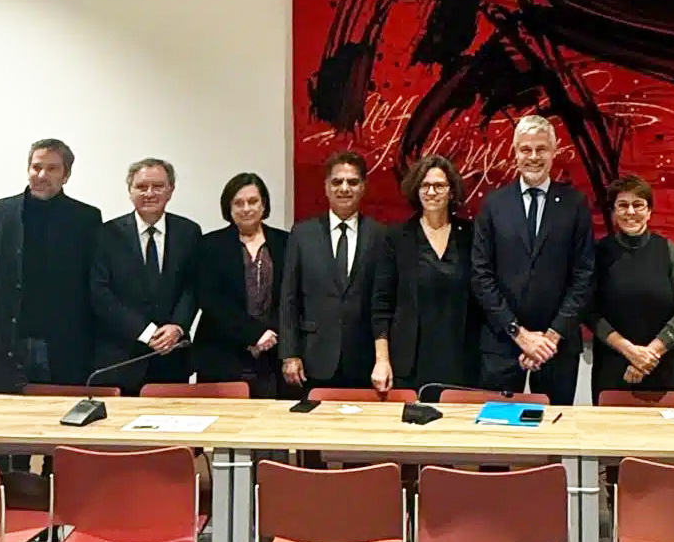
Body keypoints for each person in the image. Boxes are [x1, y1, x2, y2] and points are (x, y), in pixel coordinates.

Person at [471, 115, 595, 406]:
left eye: (541, 149)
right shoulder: (493, 205)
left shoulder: (575, 204)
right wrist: (520, 335)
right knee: (498, 428)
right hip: (502, 342)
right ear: (515, 153)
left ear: (554, 152)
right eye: (526, 149)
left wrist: (550, 337)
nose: (534, 157)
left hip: (557, 346)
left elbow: (585, 275)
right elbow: (481, 275)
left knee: (555, 426)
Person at [0, 138, 101, 394]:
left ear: (66, 175)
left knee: (60, 413)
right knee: (1, 413)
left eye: (52, 168)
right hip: (6, 341)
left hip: (65, 344)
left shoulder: (86, 218)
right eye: (36, 167)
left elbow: (93, 286)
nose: (42, 175)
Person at [371, 155, 480, 394]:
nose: (431, 192)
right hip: (410, 361)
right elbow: (381, 306)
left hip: (462, 359)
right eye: (425, 185)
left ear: (451, 191)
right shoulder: (396, 238)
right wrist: (382, 360)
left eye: (439, 186)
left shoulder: (471, 235)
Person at [90, 158, 201, 395]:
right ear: (129, 191)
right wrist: (147, 333)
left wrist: (178, 327)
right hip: (121, 358)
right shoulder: (106, 234)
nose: (149, 193)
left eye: (158, 186)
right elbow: (100, 293)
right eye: (141, 187)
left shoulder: (189, 232)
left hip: (172, 357)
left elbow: (193, 286)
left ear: (170, 190)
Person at [279, 151, 384, 392]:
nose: (344, 188)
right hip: (313, 357)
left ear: (363, 187)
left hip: (364, 359)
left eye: (352, 182)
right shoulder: (302, 234)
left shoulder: (380, 235)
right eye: (337, 182)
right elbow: (289, 298)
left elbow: (384, 302)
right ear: (326, 187)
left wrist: (383, 358)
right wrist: (289, 354)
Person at [589, 175, 674, 402]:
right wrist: (630, 351)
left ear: (649, 212)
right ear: (613, 212)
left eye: (638, 205)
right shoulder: (597, 254)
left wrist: (648, 355)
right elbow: (589, 312)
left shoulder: (671, 252)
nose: (630, 212)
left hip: (663, 367)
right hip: (613, 369)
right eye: (622, 205)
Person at [193, 173, 289, 398]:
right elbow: (210, 299)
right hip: (222, 354)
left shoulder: (286, 242)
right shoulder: (210, 245)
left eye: (253, 201)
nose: (246, 209)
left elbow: (291, 296)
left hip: (273, 352)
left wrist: (270, 332)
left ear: (264, 205)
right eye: (238, 203)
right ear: (229, 207)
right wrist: (254, 333)